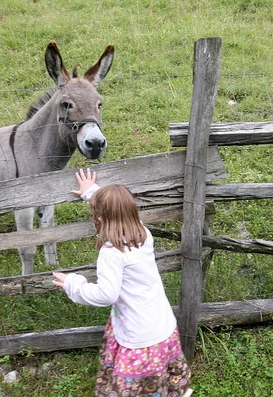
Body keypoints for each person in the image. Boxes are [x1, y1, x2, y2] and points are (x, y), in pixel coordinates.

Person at [52, 168, 192, 397]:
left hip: (138, 336)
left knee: (136, 385)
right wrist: (92, 193)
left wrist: (73, 284)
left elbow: (106, 295)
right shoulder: (144, 235)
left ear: (99, 219)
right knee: (159, 377)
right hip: (162, 325)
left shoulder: (111, 254)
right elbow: (118, 212)